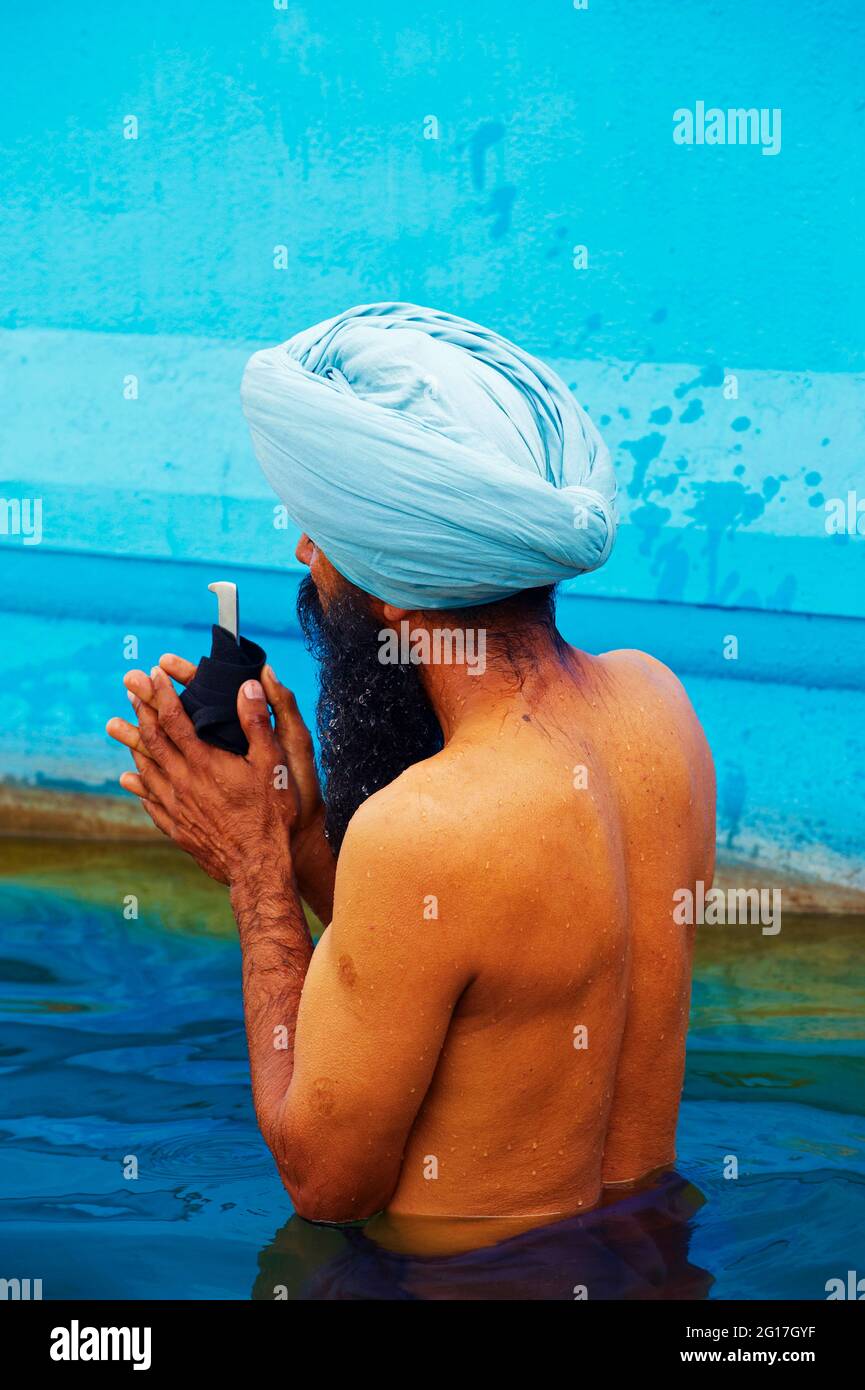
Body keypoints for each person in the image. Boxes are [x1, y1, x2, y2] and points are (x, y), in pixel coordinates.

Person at [106, 304, 715, 1233]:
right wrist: (307, 837)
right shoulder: (656, 708)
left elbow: (322, 1182)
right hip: (657, 1258)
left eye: (323, 535)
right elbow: (467, 968)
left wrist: (256, 868)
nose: (305, 556)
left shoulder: (427, 828)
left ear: (395, 582)